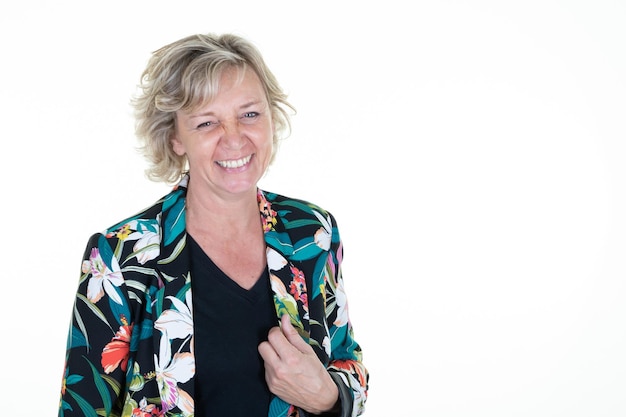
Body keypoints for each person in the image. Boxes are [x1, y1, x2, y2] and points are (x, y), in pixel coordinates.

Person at [57, 32, 368, 417]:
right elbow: (83, 408)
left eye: (250, 114)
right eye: (207, 123)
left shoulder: (312, 232)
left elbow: (346, 360)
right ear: (175, 138)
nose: (234, 138)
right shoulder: (121, 256)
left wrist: (328, 397)